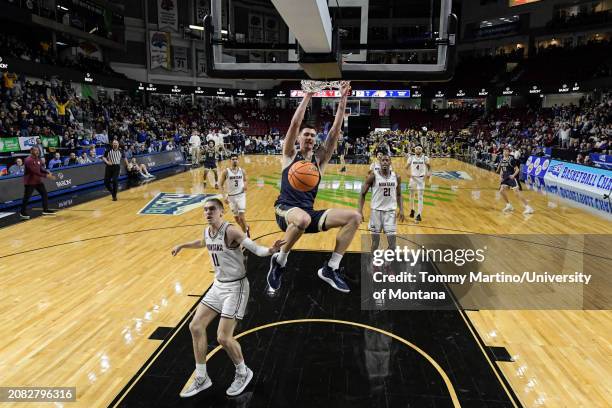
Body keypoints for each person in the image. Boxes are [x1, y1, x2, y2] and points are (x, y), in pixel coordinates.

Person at [172, 196, 284, 398]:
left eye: (212, 209)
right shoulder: (208, 231)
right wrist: (183, 245)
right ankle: (202, 377)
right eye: (205, 209)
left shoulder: (231, 230)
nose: (208, 212)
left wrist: (271, 250)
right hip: (218, 286)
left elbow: (255, 248)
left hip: (236, 288)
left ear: (221, 212)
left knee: (223, 337)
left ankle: (243, 372)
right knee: (195, 326)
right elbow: (202, 242)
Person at [267, 81, 361, 294]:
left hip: (308, 213)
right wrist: (308, 95)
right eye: (306, 134)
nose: (309, 137)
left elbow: (335, 130)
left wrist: (343, 97)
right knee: (301, 219)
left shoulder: (320, 159)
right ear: (299, 138)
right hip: (285, 209)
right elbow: (293, 124)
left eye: (313, 135)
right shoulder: (290, 155)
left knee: (354, 217)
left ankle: (331, 268)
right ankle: (279, 261)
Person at [358, 153, 404, 252]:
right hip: (376, 212)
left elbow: (399, 194)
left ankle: (387, 264)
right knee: (375, 244)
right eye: (383, 160)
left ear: (390, 162)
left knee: (392, 245)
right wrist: (359, 211)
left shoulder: (397, 176)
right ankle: (374, 264)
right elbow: (362, 194)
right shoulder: (373, 176)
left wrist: (401, 209)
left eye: (387, 160)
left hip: (390, 212)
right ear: (379, 162)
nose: (385, 162)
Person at [19, 147, 57, 220]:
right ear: (31, 151)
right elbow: (34, 172)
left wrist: (47, 171)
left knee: (44, 194)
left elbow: (40, 169)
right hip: (30, 182)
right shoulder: (28, 160)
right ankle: (22, 212)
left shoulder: (38, 159)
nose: (37, 152)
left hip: (38, 181)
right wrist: (46, 176)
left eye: (38, 150)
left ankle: (45, 210)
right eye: (35, 150)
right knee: (27, 198)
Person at [219, 154, 249, 236]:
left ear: (238, 160)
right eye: (233, 159)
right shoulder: (226, 171)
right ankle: (246, 228)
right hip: (231, 197)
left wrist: (245, 185)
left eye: (236, 159)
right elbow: (220, 184)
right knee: (237, 219)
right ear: (230, 160)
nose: (235, 160)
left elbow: (245, 179)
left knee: (242, 217)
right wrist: (224, 196)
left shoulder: (242, 170)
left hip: (241, 196)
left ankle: (246, 237)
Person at [499, 147, 534, 214]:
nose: (505, 152)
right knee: (501, 191)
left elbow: (517, 170)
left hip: (511, 178)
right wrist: (500, 176)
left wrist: (513, 175)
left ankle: (528, 207)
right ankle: (508, 205)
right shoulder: (502, 160)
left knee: (516, 193)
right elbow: (502, 169)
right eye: (504, 151)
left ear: (509, 152)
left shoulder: (511, 160)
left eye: (506, 151)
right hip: (505, 178)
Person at [406, 145, 430, 223]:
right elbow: (406, 167)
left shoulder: (425, 158)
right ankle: (412, 209)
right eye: (417, 149)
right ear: (414, 150)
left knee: (420, 197)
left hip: (421, 179)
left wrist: (428, 175)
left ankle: (419, 214)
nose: (418, 150)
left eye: (420, 149)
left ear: (422, 150)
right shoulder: (411, 158)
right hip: (413, 178)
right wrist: (407, 173)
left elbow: (429, 167)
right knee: (411, 196)